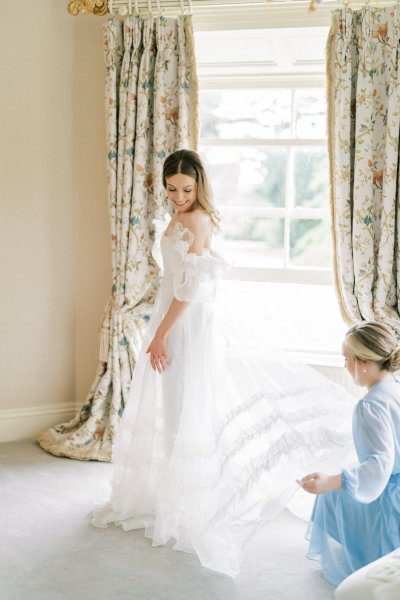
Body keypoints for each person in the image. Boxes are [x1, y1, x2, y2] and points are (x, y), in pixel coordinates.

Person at [92, 149, 356, 577]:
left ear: (200, 186)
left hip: (184, 323)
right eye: (172, 189)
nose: (178, 197)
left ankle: (189, 504)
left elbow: (189, 289)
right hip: (171, 316)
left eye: (187, 189)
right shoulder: (180, 217)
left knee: (183, 406)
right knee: (174, 405)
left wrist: (160, 334)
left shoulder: (197, 220)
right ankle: (174, 495)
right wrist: (158, 327)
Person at [299, 320, 400, 587]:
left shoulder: (371, 405)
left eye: (347, 359)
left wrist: (329, 481)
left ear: (363, 363)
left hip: (393, 499)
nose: (345, 365)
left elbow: (380, 465)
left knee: (330, 494)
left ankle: (366, 550)